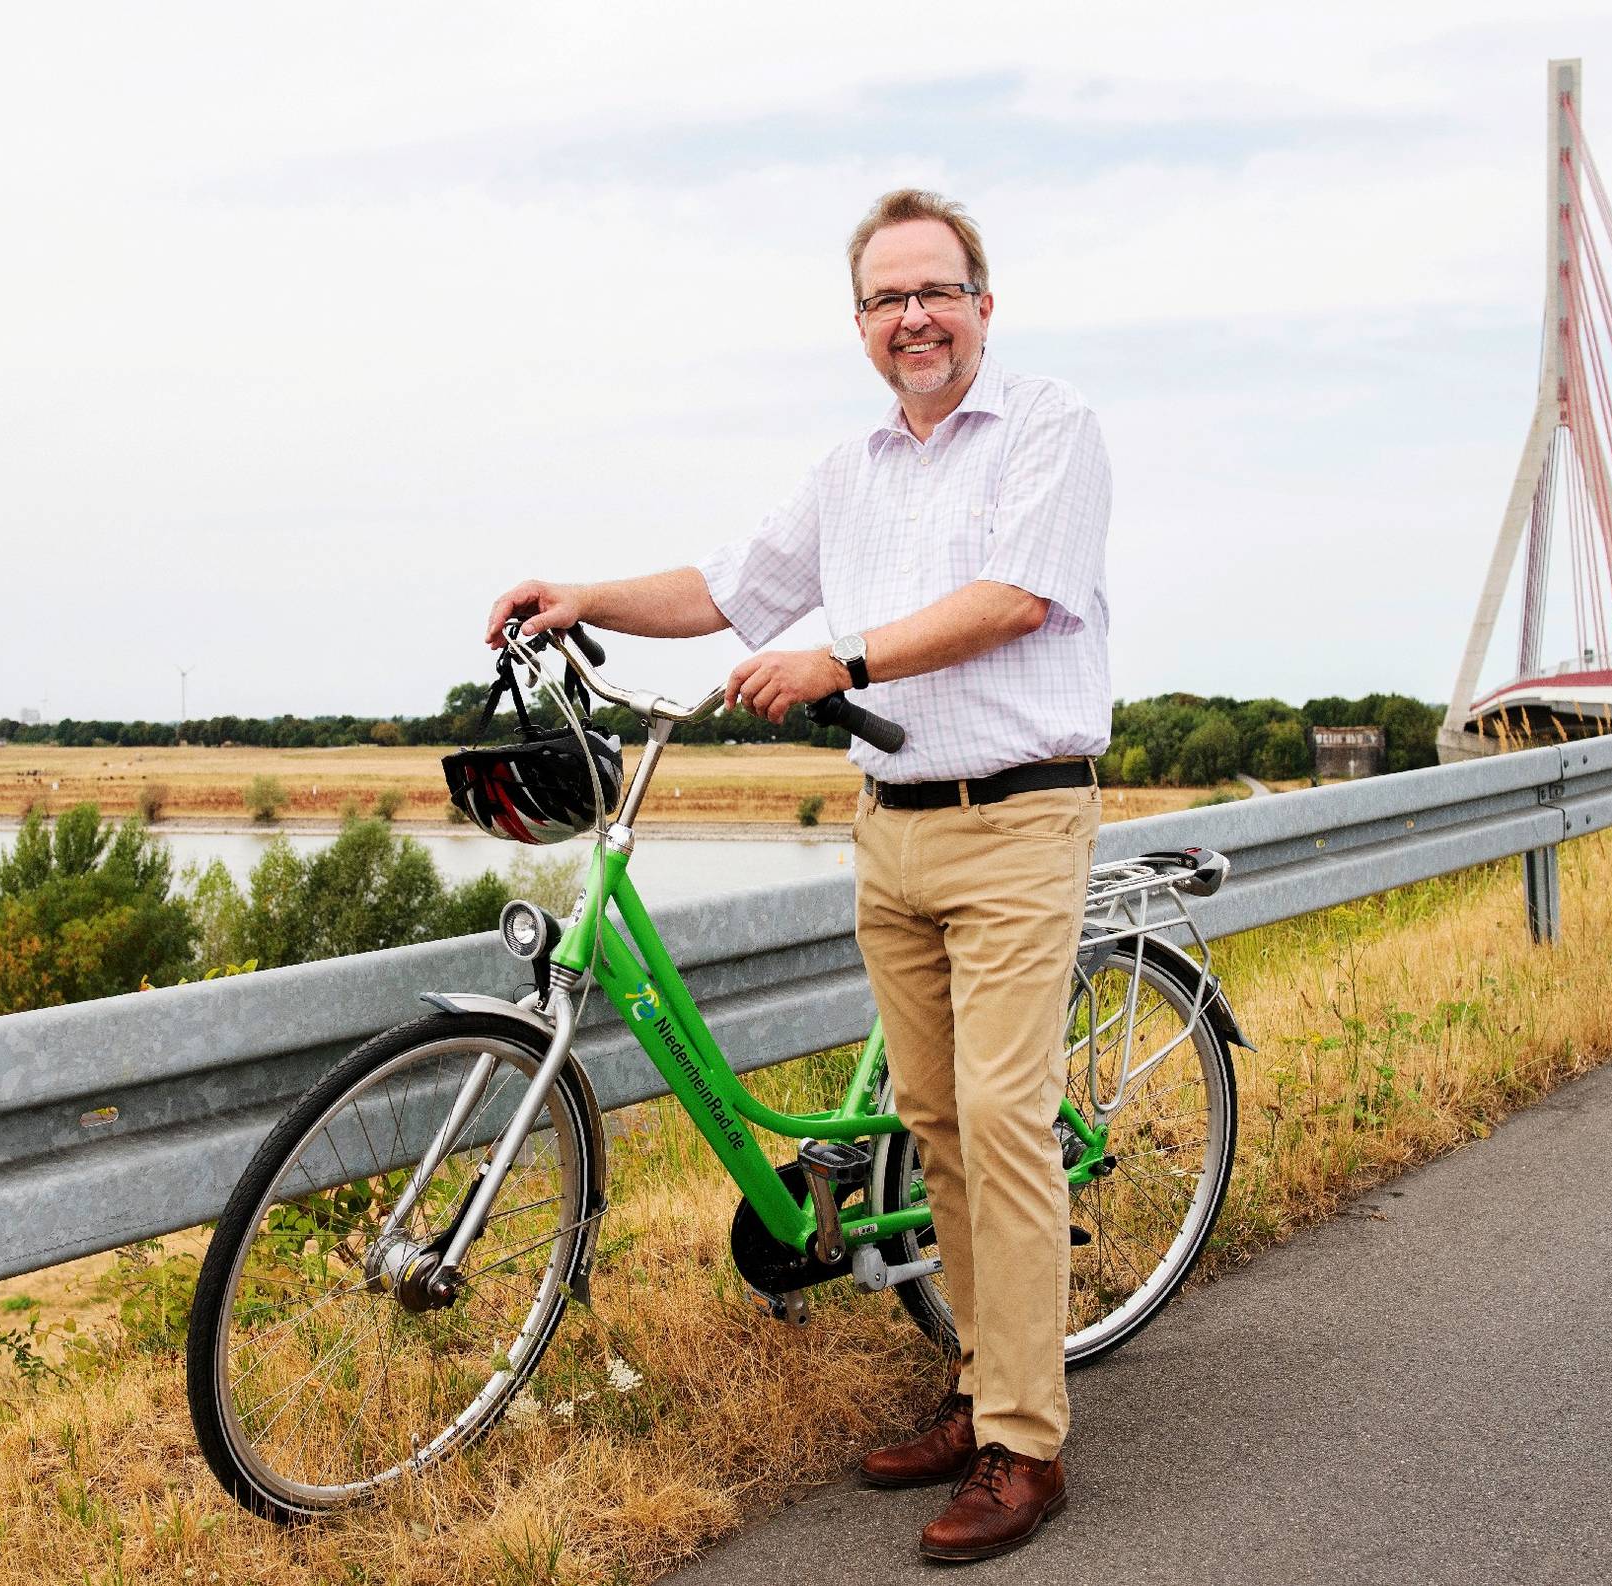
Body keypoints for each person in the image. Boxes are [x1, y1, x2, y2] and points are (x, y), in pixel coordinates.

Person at [485, 187, 1110, 1563]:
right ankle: (975, 1388)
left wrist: (848, 658)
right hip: (895, 831)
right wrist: (583, 595)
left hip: (1017, 821)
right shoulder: (851, 474)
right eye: (887, 300)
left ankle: (1025, 1446)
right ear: (861, 325)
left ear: (984, 304)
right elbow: (725, 585)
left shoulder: (1050, 429)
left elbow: (1015, 596)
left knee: (1004, 1119)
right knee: (936, 1124)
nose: (915, 318)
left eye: (936, 291)